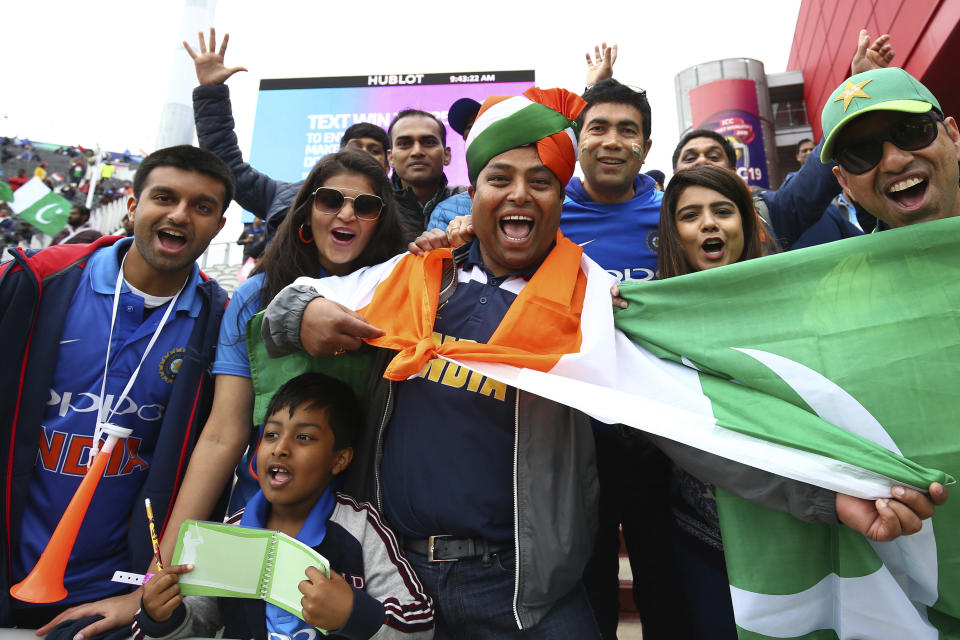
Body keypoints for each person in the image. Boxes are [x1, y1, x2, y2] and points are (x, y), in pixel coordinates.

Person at [263, 87, 603, 637]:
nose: (519, 194)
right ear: (473, 194)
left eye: (540, 182)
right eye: (499, 180)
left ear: (561, 198)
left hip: (527, 588)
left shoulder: (591, 299)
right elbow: (287, 306)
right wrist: (307, 312)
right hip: (398, 574)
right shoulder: (419, 275)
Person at [0, 146, 234, 637]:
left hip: (103, 597)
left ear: (219, 225)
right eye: (164, 197)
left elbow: (212, 451)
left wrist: (142, 592)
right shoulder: (39, 280)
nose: (179, 215)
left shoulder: (220, 322)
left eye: (202, 207)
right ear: (132, 206)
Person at [156, 149, 405, 582]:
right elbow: (222, 435)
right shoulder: (254, 297)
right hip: (261, 519)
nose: (346, 214)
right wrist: (159, 570)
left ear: (379, 223)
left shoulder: (400, 297)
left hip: (363, 528)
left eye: (365, 206)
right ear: (307, 213)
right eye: (330, 200)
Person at [133, 372, 434, 640]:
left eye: (304, 437)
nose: (280, 448)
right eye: (271, 434)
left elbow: (420, 624)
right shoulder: (230, 536)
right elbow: (197, 622)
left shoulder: (361, 528)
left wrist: (353, 614)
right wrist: (160, 615)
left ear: (339, 459)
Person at [655, 165, 764, 638]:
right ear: (673, 233)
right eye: (691, 215)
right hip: (702, 541)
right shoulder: (645, 318)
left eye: (723, 210)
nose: (710, 224)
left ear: (745, 222)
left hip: (799, 530)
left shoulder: (791, 304)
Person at [184, 29, 393, 240]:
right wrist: (211, 91)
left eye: (374, 150)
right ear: (339, 156)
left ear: (388, 165)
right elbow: (227, 164)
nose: (364, 153)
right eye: (357, 146)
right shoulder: (285, 197)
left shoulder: (406, 209)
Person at [820, 65, 959, 230]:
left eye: (911, 132)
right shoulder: (864, 257)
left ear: (953, 137)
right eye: (862, 154)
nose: (894, 162)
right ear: (844, 182)